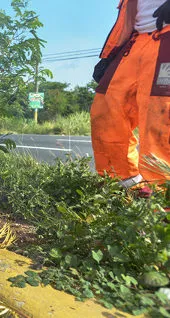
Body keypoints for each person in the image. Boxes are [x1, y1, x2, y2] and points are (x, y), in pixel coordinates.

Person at [91, 0, 170, 193]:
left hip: (167, 38)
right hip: (135, 42)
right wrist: (111, 55)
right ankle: (122, 186)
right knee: (105, 111)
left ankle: (163, 198)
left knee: (159, 120)